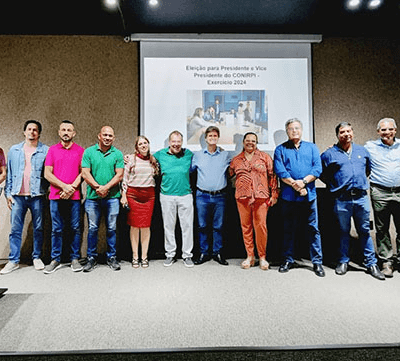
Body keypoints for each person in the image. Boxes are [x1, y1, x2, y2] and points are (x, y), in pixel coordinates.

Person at [320, 122, 385, 280]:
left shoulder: (362, 151)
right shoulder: (329, 154)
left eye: (349, 131)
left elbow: (367, 170)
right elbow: (321, 173)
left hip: (361, 197)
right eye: (342, 132)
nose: (346, 134)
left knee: (364, 231)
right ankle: (343, 261)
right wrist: (335, 184)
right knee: (343, 232)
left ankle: (371, 263)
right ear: (337, 135)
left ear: (353, 133)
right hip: (341, 199)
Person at [274, 118, 325, 277]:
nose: (294, 131)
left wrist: (302, 182)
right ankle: (288, 259)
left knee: (313, 229)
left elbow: (317, 169)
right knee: (288, 229)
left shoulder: (312, 148)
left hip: (309, 196)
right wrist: (295, 186)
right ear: (287, 131)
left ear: (301, 130)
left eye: (297, 128)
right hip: (289, 197)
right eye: (290, 129)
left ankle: (317, 262)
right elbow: (280, 171)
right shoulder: (280, 149)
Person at [1, 120, 48, 275]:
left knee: (38, 228)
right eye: (29, 129)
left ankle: (36, 257)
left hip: (37, 196)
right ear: (24, 132)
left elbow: (48, 175)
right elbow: (8, 174)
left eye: (35, 130)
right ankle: (13, 260)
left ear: (39, 133)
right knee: (15, 229)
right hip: (17, 196)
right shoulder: (14, 150)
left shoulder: (45, 151)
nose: (32, 132)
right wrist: (8, 193)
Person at [230, 132, 278, 270]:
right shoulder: (236, 160)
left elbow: (272, 176)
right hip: (242, 197)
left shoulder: (265, 157)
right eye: (248, 140)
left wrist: (274, 194)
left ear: (257, 143)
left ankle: (262, 257)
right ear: (243, 142)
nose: (250, 143)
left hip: (261, 197)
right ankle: (250, 256)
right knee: (246, 227)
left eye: (253, 141)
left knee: (261, 227)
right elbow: (229, 174)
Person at [43, 120, 85, 274]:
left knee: (75, 228)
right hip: (56, 195)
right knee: (56, 229)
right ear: (59, 132)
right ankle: (55, 259)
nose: (66, 132)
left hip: (74, 196)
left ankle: (74, 258)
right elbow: (47, 173)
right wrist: (64, 187)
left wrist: (71, 187)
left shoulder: (80, 151)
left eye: (69, 130)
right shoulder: (52, 150)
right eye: (63, 130)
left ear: (74, 133)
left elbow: (83, 173)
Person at [81, 126, 124, 272]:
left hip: (112, 198)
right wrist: (98, 187)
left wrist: (106, 188)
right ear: (99, 136)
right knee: (93, 228)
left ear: (113, 138)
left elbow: (119, 175)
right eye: (105, 135)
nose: (107, 137)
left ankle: (111, 257)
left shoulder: (117, 154)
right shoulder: (89, 152)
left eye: (110, 136)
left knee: (112, 228)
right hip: (93, 198)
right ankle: (91, 258)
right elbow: (85, 173)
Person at [365, 118, 400, 277]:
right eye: (383, 130)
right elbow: (352, 150)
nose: (387, 132)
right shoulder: (370, 147)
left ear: (395, 130)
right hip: (380, 192)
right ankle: (386, 261)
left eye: (390, 129)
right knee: (382, 228)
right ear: (378, 132)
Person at [154, 130, 194, 267]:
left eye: (179, 141)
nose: (176, 144)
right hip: (167, 195)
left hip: (185, 195)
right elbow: (145, 157)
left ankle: (187, 255)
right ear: (169, 142)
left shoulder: (188, 154)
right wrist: (130, 157)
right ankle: (170, 254)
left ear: (181, 142)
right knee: (168, 226)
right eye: (173, 141)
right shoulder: (160, 154)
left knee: (187, 227)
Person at [191, 126, 231, 266]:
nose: (213, 138)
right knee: (202, 226)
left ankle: (217, 252)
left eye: (215, 136)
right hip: (202, 196)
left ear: (218, 138)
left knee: (218, 226)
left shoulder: (225, 155)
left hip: (220, 196)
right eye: (210, 136)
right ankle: (203, 252)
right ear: (206, 139)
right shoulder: (198, 155)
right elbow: (190, 170)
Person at [121, 136, 159, 268]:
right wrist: (124, 195)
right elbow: (125, 179)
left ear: (148, 144)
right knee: (135, 226)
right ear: (136, 147)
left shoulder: (153, 160)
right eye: (140, 144)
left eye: (145, 143)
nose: (143, 145)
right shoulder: (131, 159)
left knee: (145, 226)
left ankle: (144, 257)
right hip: (133, 195)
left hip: (149, 196)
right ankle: (135, 257)